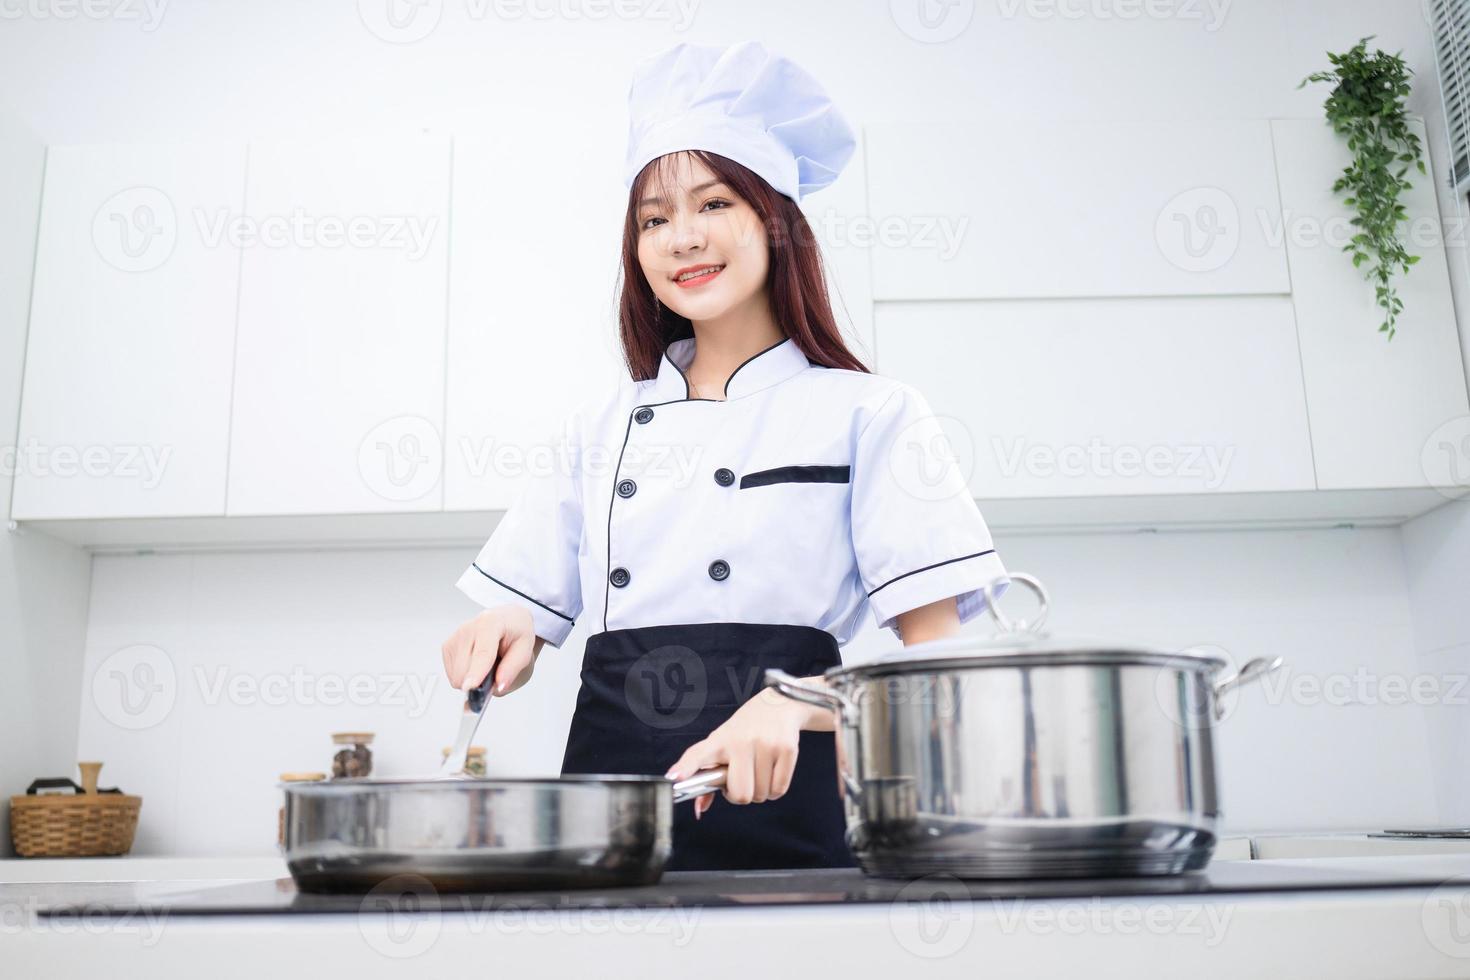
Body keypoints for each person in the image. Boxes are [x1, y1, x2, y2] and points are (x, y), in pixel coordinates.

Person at [441, 40, 1009, 871]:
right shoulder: (598, 427)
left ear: (775, 221)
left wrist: (797, 703)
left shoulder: (870, 414)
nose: (682, 239)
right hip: (612, 824)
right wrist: (502, 633)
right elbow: (524, 624)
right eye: (654, 219)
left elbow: (940, 669)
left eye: (712, 204)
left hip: (795, 807)